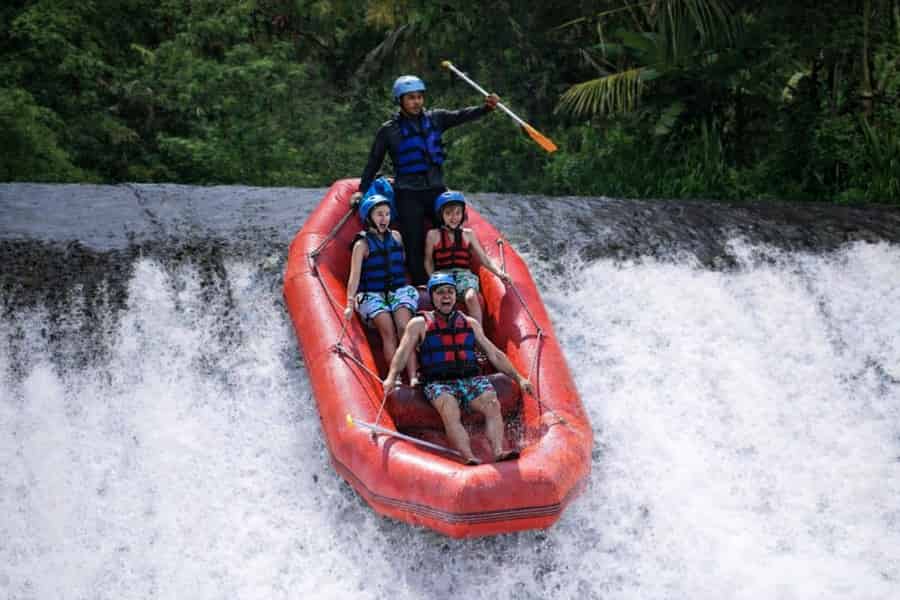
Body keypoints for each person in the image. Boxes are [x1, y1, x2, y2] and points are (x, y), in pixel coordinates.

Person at [351, 74, 500, 285]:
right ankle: (423, 285)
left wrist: (486, 108)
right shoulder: (388, 131)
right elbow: (373, 162)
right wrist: (362, 190)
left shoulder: (436, 118)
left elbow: (461, 115)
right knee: (414, 241)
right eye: (411, 97)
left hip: (436, 190)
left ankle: (455, 281)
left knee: (452, 233)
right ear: (400, 101)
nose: (416, 102)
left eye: (419, 97)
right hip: (408, 192)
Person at [383, 273, 533, 465]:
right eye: (440, 293)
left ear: (455, 295)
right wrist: (391, 377)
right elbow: (402, 353)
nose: (446, 296)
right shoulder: (418, 324)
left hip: (469, 377)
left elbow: (494, 354)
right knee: (449, 407)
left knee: (492, 403)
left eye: (450, 292)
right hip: (437, 381)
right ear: (432, 297)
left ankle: (498, 451)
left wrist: (519, 378)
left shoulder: (470, 323)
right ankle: (468, 456)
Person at [345, 194, 419, 385]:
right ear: (369, 217)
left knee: (405, 326)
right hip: (372, 294)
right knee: (387, 328)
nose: (384, 218)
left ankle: (413, 375)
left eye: (387, 214)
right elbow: (354, 276)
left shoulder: (396, 237)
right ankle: (396, 378)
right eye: (379, 214)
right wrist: (349, 302)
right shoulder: (362, 244)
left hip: (396, 291)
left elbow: (401, 266)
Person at [424, 190, 510, 324]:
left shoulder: (468, 234)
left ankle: (478, 335)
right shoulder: (433, 235)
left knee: (471, 297)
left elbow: (484, 259)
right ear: (441, 216)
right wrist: (432, 279)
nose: (454, 217)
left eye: (457, 213)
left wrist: (500, 273)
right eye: (449, 213)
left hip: (464, 275)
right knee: (444, 299)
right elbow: (428, 261)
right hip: (442, 275)